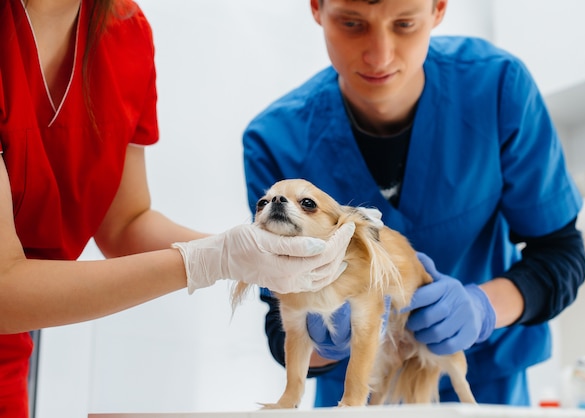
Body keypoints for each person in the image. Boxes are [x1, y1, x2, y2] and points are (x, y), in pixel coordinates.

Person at [0, 0, 355, 416]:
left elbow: (125, 225)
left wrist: (253, 255)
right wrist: (214, 259)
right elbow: (5, 291)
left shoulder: (123, 30)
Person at [243, 0, 585, 407]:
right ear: (317, 8)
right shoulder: (276, 140)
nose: (379, 55)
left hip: (485, 380)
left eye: (404, 24)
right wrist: (326, 338)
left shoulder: (497, 87)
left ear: (438, 9)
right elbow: (280, 316)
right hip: (355, 392)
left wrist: (480, 309)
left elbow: (560, 254)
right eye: (352, 23)